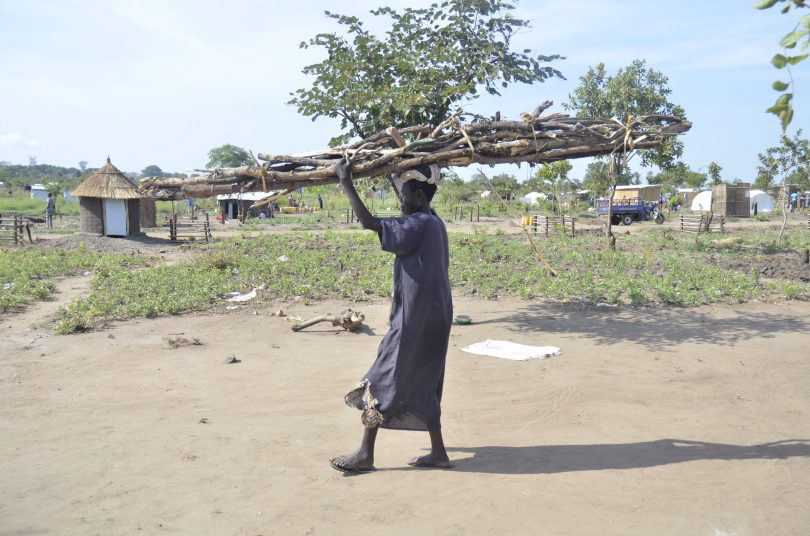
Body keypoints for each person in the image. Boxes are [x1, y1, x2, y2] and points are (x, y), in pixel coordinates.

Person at [330, 159, 453, 473]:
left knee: (381, 378)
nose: (401, 198)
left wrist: (346, 181)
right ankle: (438, 451)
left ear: (421, 197)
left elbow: (369, 223)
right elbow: (405, 197)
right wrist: (393, 176)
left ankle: (365, 454)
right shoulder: (434, 221)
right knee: (425, 380)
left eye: (405, 193)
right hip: (435, 315)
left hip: (415, 318)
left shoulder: (419, 224)